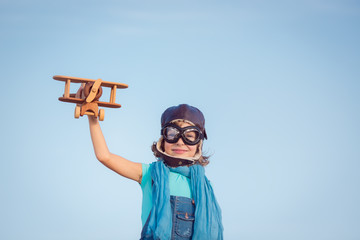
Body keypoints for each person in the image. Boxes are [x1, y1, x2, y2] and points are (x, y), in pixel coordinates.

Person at [87, 103, 223, 239]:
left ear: (198, 143)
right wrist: (93, 118)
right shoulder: (149, 173)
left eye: (189, 136)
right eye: (172, 133)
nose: (180, 142)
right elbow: (104, 156)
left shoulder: (203, 186)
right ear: (162, 140)